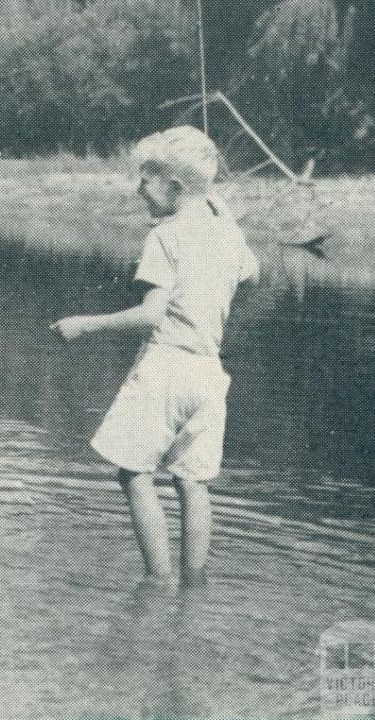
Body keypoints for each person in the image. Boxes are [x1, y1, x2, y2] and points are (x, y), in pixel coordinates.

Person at [50, 126, 258, 585]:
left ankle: (158, 582)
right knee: (192, 481)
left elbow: (151, 315)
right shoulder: (226, 235)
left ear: (175, 188)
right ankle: (194, 585)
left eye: (146, 179)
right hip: (209, 373)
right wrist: (218, 213)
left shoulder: (164, 237)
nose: (138, 188)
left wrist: (85, 324)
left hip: (166, 367)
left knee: (132, 474)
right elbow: (251, 271)